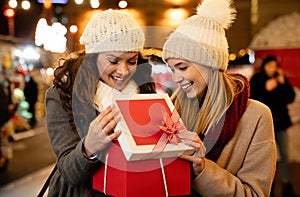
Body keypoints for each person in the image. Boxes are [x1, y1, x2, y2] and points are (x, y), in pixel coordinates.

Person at [162, 0, 277, 196]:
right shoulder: (172, 109)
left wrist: (202, 169)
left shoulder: (256, 116)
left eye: (182, 67)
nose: (175, 78)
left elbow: (255, 194)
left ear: (210, 63)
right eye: (172, 69)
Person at [45, 9, 155, 197]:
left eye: (132, 61)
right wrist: (89, 147)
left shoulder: (142, 91)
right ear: (93, 57)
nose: (124, 71)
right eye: (113, 61)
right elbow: (69, 173)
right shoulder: (63, 95)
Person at [250, 55, 296, 197]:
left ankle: (287, 185)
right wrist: (266, 89)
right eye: (269, 66)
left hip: (281, 124)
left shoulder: (279, 78)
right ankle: (268, 187)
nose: (272, 69)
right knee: (268, 157)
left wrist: (283, 84)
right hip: (264, 126)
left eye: (274, 66)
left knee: (285, 156)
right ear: (264, 66)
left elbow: (291, 97)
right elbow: (253, 99)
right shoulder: (257, 79)